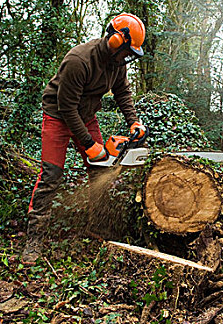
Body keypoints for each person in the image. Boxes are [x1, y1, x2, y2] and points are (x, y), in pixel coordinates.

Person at [22, 13, 147, 264]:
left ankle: (97, 226)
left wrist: (133, 120)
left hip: (86, 115)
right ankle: (34, 237)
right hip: (59, 115)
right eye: (125, 50)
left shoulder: (117, 62)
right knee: (51, 175)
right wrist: (90, 145)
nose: (127, 57)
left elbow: (122, 91)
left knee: (100, 171)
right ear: (114, 39)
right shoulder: (79, 60)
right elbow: (67, 108)